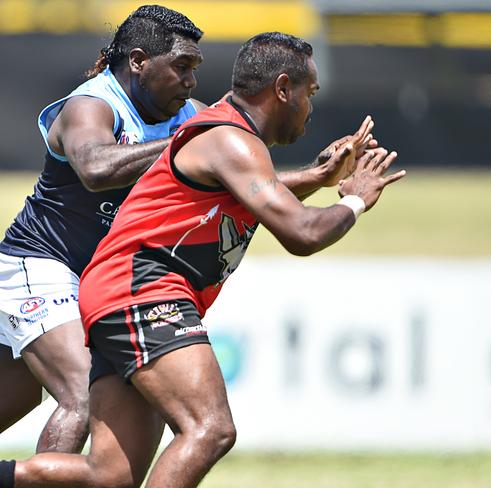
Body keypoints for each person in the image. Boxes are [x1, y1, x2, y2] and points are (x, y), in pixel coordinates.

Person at [0, 32, 405, 488]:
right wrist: (355, 202)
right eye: (309, 94)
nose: (311, 108)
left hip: (115, 292)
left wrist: (319, 177)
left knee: (110, 476)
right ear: (283, 88)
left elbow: (262, 197)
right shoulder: (225, 137)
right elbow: (302, 233)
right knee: (210, 429)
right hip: (136, 290)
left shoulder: (228, 138)